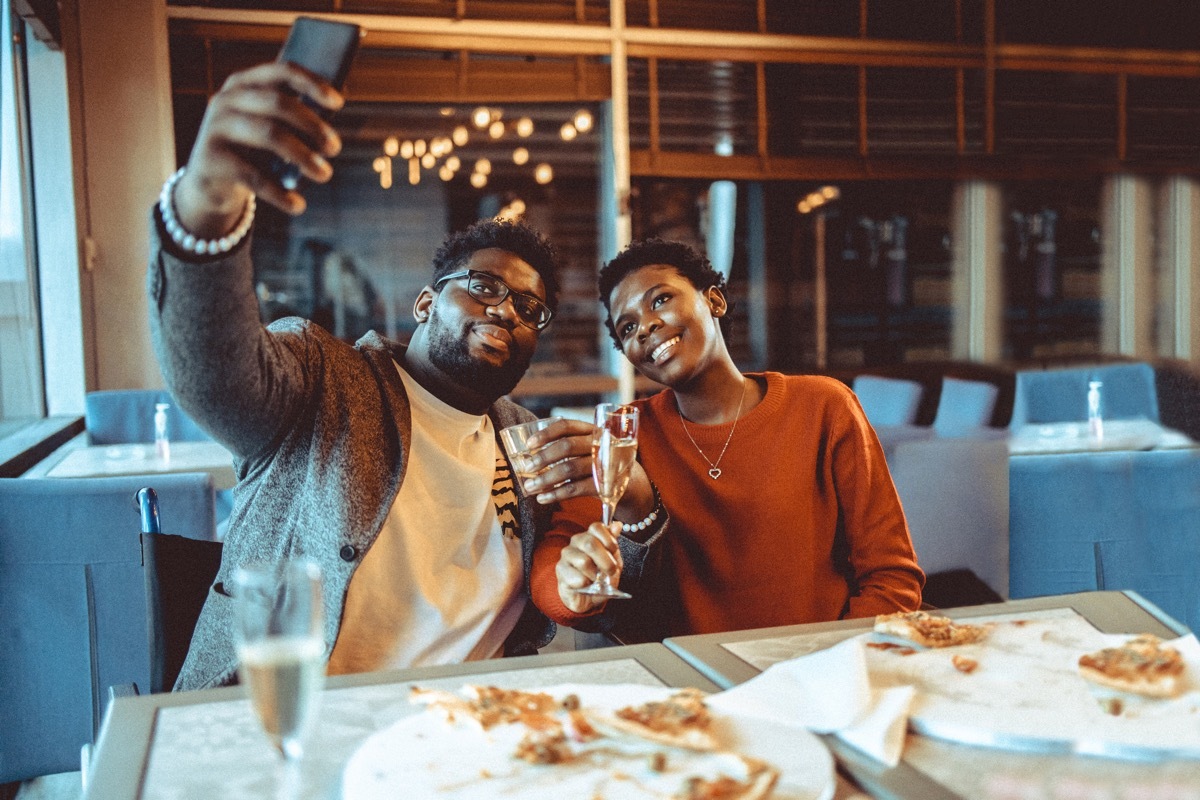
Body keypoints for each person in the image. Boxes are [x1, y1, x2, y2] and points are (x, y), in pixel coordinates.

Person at [148, 61, 613, 690]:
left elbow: (576, 575)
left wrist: (600, 553)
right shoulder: (324, 379)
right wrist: (205, 210)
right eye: (482, 286)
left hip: (475, 729)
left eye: (530, 307)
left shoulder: (525, 439)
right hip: (302, 720)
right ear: (425, 305)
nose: (506, 308)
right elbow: (215, 378)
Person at [528, 238, 925, 641]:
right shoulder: (625, 434)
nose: (645, 326)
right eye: (627, 327)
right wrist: (569, 583)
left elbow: (891, 575)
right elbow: (553, 560)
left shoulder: (824, 406)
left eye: (660, 300)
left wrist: (834, 666)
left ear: (714, 301)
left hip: (818, 677)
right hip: (689, 684)